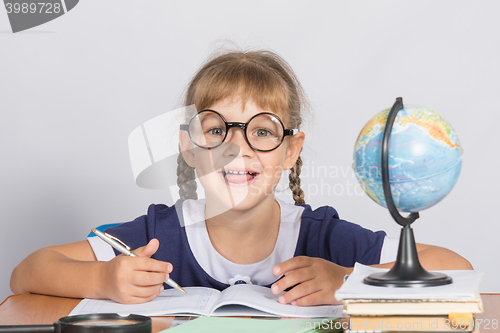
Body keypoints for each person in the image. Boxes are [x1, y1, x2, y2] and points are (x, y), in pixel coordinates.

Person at [10, 49, 473, 306]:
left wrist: (347, 280)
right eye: (216, 130)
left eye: (262, 132)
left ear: (291, 150)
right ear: (189, 147)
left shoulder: (321, 236)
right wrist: (102, 281)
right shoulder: (159, 232)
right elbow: (27, 271)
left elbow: (457, 267)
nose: (238, 148)